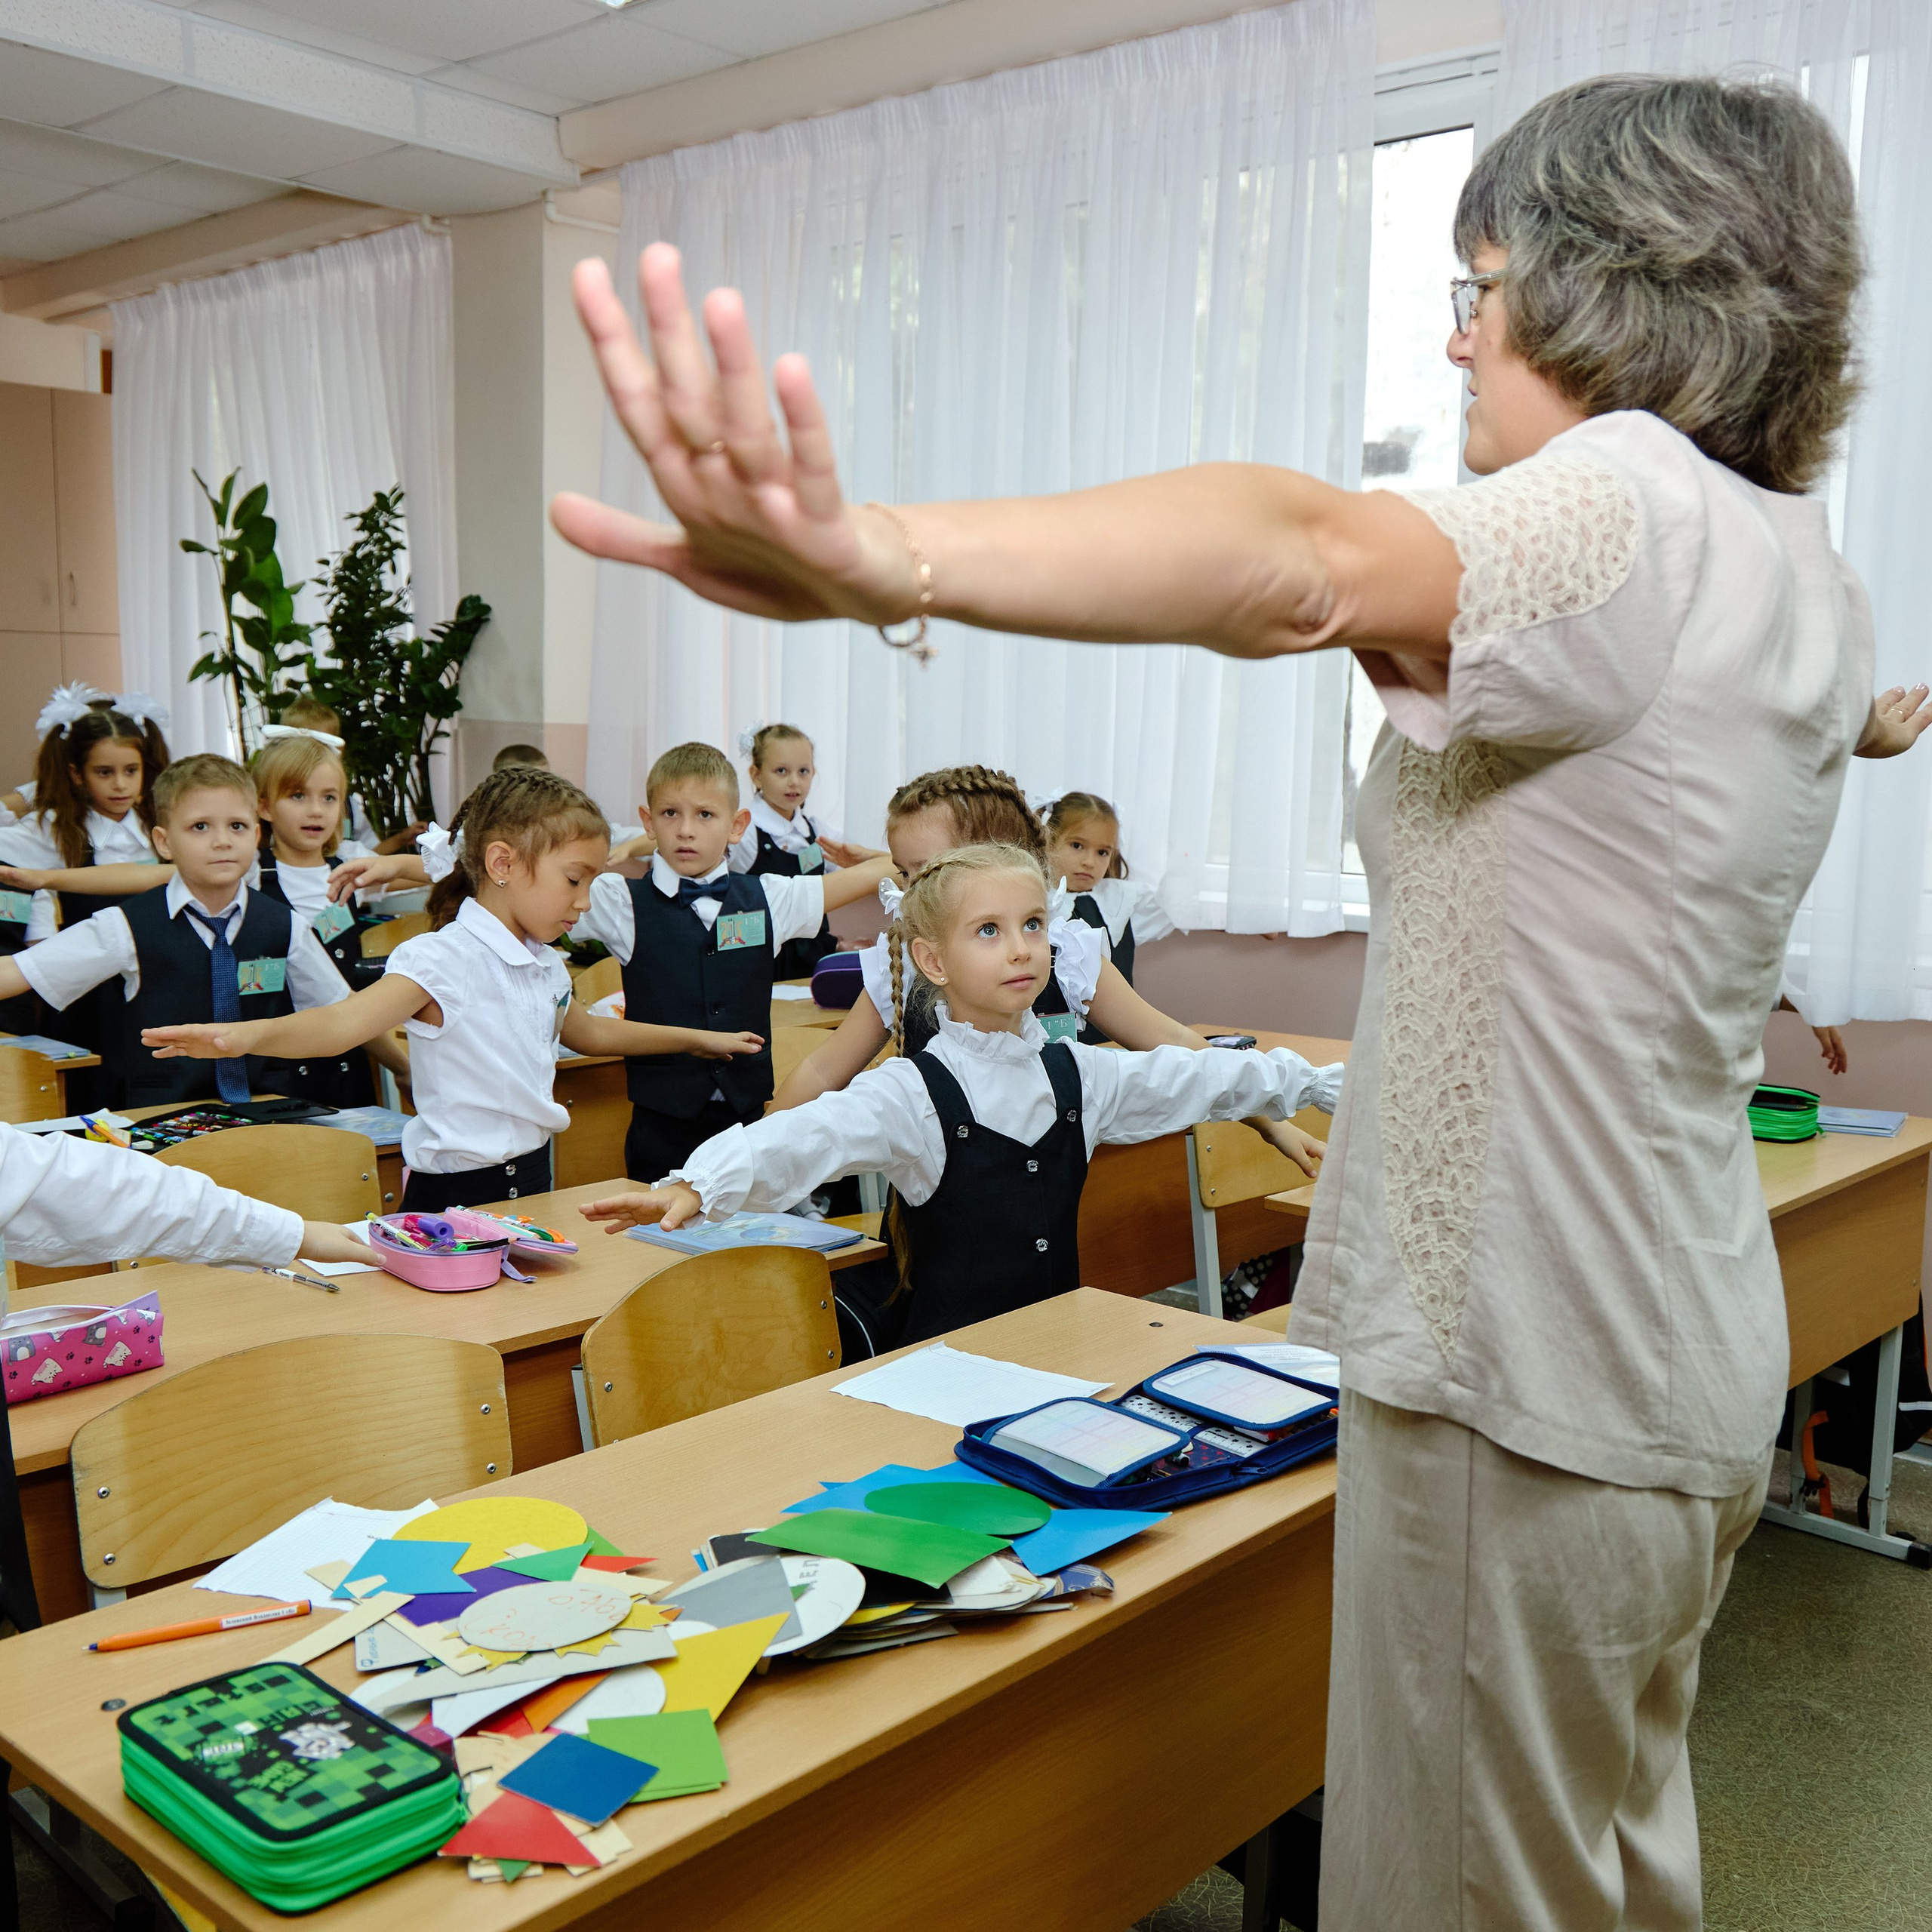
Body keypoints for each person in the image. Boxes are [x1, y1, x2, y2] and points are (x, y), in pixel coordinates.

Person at [550, 72, 1932, 1930]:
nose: (1455, 340)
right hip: (1660, 1340)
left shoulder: (1620, 502)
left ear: (1600, 289)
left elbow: (1294, 557)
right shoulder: (1797, 561)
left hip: (1521, 1358)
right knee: (1601, 1865)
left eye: (1478, 283)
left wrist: (892, 554)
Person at [583, 842, 1340, 1340]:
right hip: (942, 1372)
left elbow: (1201, 1075)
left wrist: (1318, 1083)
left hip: (1054, 1355)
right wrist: (695, 1184)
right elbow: (806, 1135)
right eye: (988, 930)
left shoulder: (1081, 1073)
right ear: (930, 961)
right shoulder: (914, 1092)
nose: (1020, 947)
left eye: (1034, 924)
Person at [141, 764, 764, 1213]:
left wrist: (698, 1039)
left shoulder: (544, 961)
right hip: (456, 1193)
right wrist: (236, 1037)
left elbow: (589, 1031)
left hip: (537, 1174)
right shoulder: (440, 958)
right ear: (502, 865)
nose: (585, 901)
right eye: (574, 880)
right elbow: (339, 1025)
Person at [772, 764, 1325, 1172]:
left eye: (931, 870)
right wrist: (745, 1150)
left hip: (1054, 1187)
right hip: (942, 1199)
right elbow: (824, 1072)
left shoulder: (1067, 951)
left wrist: (1270, 1122)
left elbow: (1169, 1040)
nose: (917, 891)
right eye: (908, 873)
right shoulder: (907, 961)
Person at [570, 740, 894, 1181]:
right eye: (670, 814)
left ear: (737, 825)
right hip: (660, 1126)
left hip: (747, 1124)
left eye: (705, 815)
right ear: (648, 822)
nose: (686, 830)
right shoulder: (618, 901)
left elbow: (886, 871)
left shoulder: (770, 897)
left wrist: (872, 855)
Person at [0, 755, 399, 1112]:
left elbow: (340, 1010)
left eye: (237, 826)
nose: (222, 840)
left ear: (256, 836)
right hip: (165, 1117)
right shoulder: (127, 924)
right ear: (164, 842)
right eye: (200, 827)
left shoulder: (285, 924)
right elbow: (20, 972)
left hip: (269, 1112)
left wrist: (404, 1066)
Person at [0, 691, 168, 1063]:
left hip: (160, 984)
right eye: (104, 773)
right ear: (76, 773)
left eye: (131, 771)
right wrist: (34, 794)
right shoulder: (56, 831)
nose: (121, 785)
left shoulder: (162, 825)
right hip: (88, 999)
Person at [247, 731, 392, 1106]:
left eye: (329, 798)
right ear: (264, 806)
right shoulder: (248, 874)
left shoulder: (353, 868)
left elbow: (446, 874)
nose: (316, 810)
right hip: (273, 1066)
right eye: (298, 796)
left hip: (347, 1058)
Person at [1041, 789, 1177, 1041]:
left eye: (1102, 852)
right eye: (1077, 846)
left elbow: (1178, 906)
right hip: (1051, 1046)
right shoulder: (1034, 899)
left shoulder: (1121, 899)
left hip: (1117, 1040)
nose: (1089, 862)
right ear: (1047, 840)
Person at [726, 722, 845, 980]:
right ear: (756, 775)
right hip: (756, 965)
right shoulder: (743, 832)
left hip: (809, 968)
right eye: (781, 771)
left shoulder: (818, 833)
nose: (794, 782)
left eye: (803, 771)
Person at [275, 695, 426, 857]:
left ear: (340, 752)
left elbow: (365, 859)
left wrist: (400, 840)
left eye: (324, 747)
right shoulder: (274, 803)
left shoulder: (349, 807)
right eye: (298, 796)